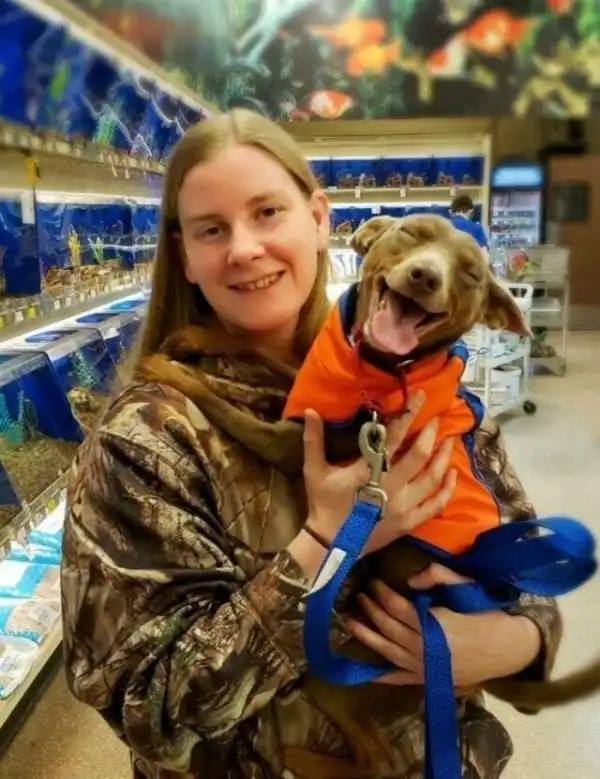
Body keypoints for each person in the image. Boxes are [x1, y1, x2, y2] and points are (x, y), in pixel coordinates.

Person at [61, 109, 561, 779]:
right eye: (212, 228)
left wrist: (506, 642)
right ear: (184, 256)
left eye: (268, 212)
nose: (244, 248)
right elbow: (148, 711)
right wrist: (328, 539)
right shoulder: (144, 440)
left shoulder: (424, 386)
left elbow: (533, 576)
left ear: (322, 220)